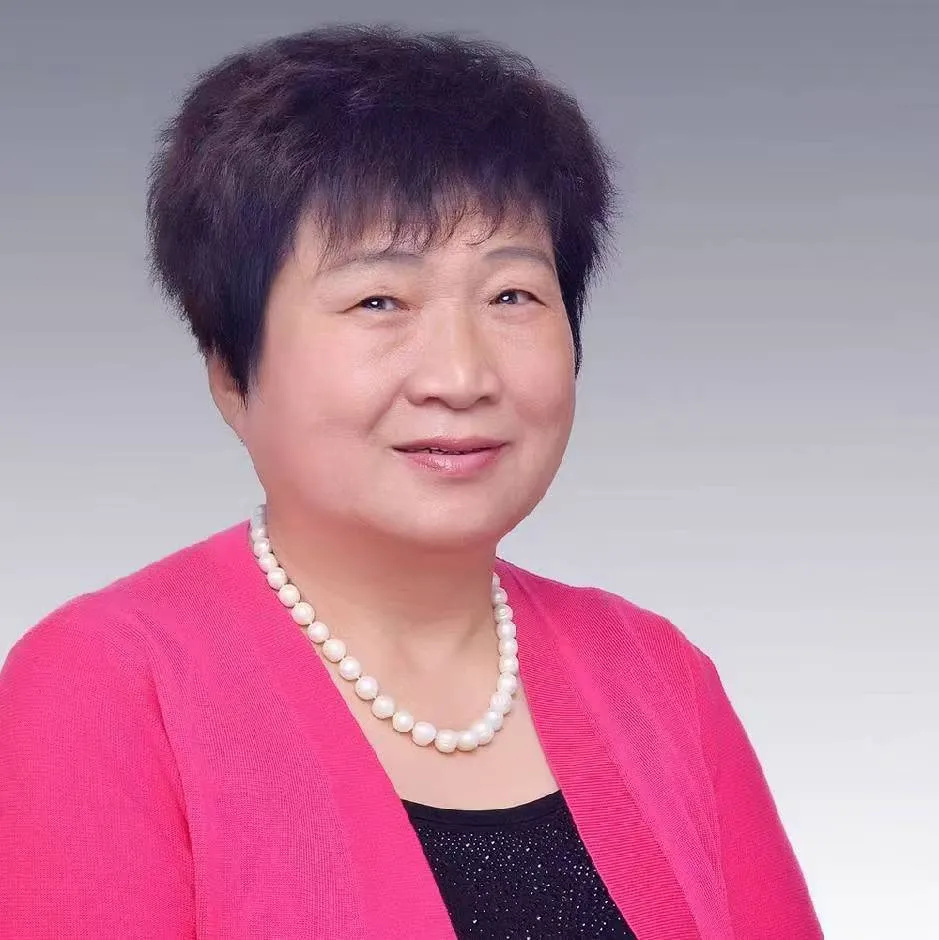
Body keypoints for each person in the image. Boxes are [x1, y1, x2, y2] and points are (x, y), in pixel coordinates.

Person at [0, 25, 823, 939]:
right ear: (232, 373)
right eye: (378, 301)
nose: (460, 376)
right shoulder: (109, 686)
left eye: (511, 296)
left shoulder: (656, 675)